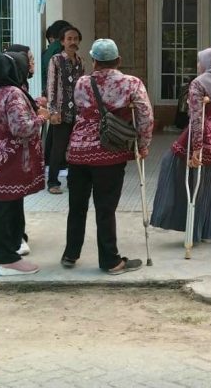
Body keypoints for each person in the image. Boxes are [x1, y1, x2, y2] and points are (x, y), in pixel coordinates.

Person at [61, 39, 153, 274]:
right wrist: (143, 145)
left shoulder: (83, 82)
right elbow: (145, 116)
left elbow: (78, 108)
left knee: (77, 205)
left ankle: (70, 254)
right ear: (118, 60)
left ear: (94, 61)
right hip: (109, 152)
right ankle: (110, 261)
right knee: (105, 208)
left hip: (78, 151)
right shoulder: (131, 83)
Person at [151, 48, 211, 244]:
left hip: (200, 141)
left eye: (200, 61)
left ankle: (188, 226)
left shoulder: (199, 83)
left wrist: (196, 149)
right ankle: (209, 228)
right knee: (210, 185)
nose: (198, 66)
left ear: (210, 64)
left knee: (170, 167)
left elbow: (196, 118)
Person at [0, 51, 49, 277]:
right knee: (8, 206)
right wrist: (42, 118)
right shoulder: (12, 93)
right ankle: (7, 260)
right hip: (9, 159)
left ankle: (0, 255)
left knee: (2, 206)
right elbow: (22, 128)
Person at [46, 25, 85, 194]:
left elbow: (83, 88)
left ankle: (73, 181)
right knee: (58, 148)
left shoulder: (81, 61)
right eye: (69, 39)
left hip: (77, 113)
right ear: (62, 42)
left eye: (75, 39)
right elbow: (51, 86)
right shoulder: (55, 60)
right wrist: (52, 111)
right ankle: (53, 182)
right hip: (60, 112)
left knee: (75, 148)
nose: (73, 42)